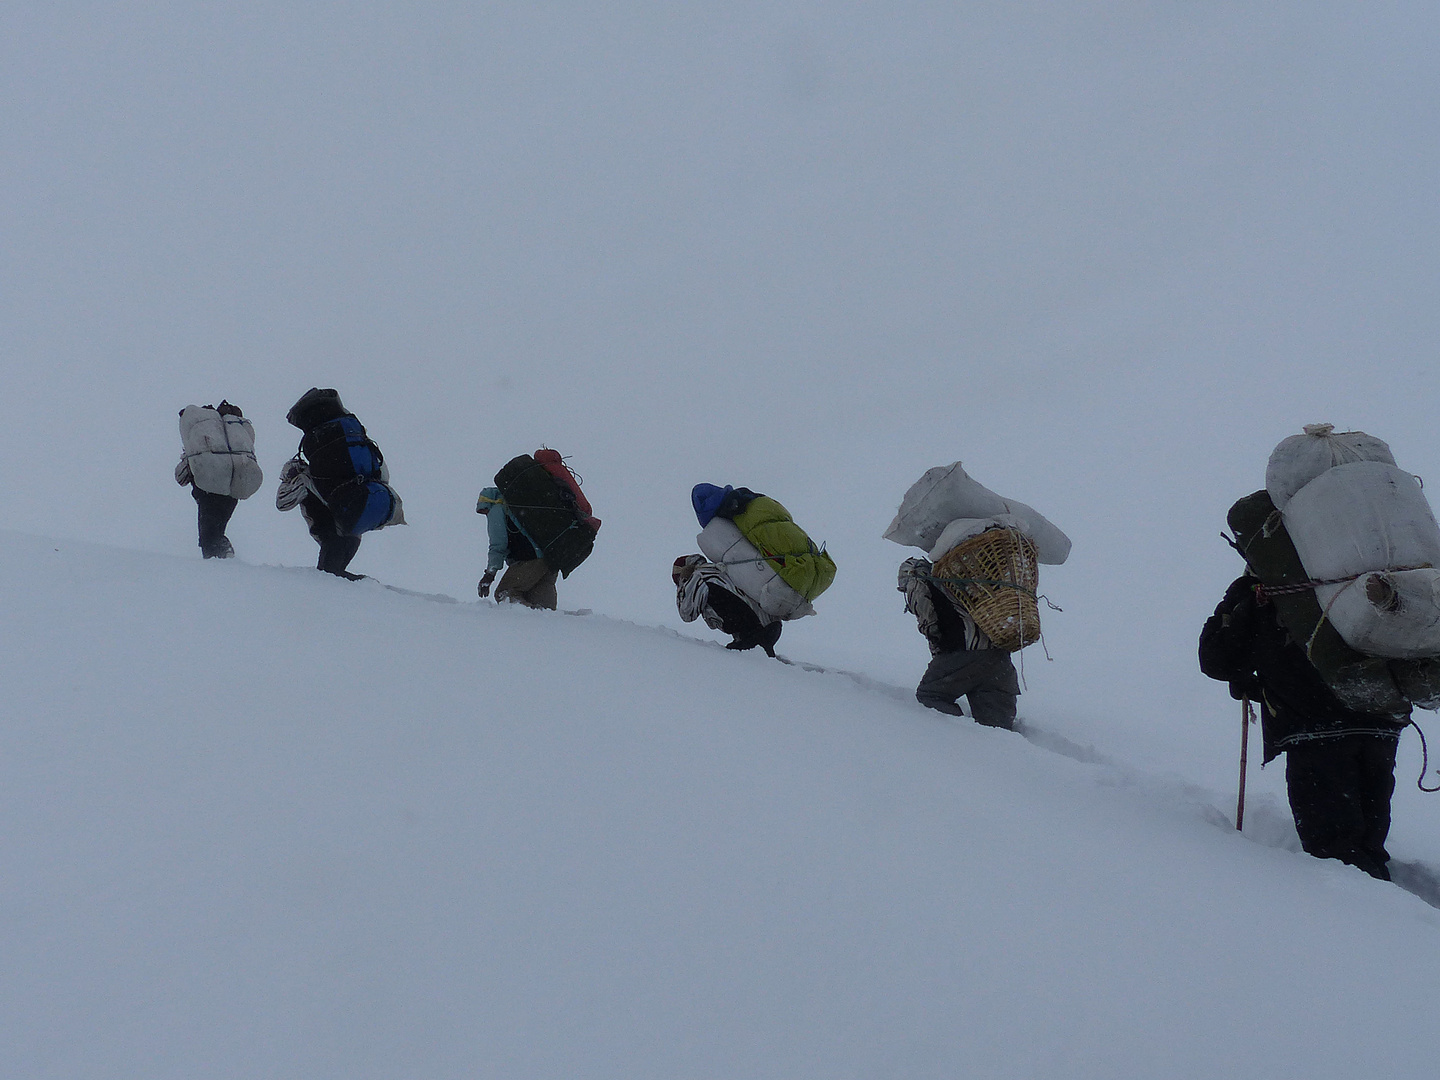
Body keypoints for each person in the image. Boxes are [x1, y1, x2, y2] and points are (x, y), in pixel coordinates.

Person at [1200, 574, 1408, 880]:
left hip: (1317, 732)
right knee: (1366, 846)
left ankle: (1367, 921)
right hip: (1379, 724)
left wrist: (1238, 599)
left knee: (1337, 857)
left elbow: (1218, 659)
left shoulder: (1271, 585)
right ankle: (1394, 916)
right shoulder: (1365, 574)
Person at [276, 388, 402, 580]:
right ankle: (365, 589)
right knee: (334, 574)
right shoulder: (356, 449)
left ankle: (358, 592)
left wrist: (290, 476)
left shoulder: (307, 476)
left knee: (329, 578)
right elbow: (383, 473)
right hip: (357, 518)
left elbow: (282, 504)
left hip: (337, 527)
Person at [898, 556, 1019, 729]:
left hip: (963, 651)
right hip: (999, 658)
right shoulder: (960, 579)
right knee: (996, 726)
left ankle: (959, 736)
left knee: (930, 696)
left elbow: (928, 621)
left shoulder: (916, 580)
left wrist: (938, 650)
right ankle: (1008, 753)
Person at [175, 400, 263, 559]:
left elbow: (181, 477)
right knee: (216, 528)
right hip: (237, 479)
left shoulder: (200, 442)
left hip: (209, 485)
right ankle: (223, 555)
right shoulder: (232, 430)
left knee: (209, 534)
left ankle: (219, 563)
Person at [672, 554, 783, 657]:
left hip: (755, 630)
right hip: (768, 624)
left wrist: (683, 584)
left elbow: (687, 613)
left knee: (732, 663)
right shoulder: (718, 569)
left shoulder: (700, 576)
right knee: (763, 661)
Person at [477, 486, 559, 609]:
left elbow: (498, 545)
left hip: (530, 559)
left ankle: (526, 621)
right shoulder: (519, 508)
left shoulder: (497, 509)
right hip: (551, 558)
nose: (485, 514)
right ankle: (549, 627)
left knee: (505, 593)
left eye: (484, 511)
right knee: (543, 610)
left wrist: (490, 574)